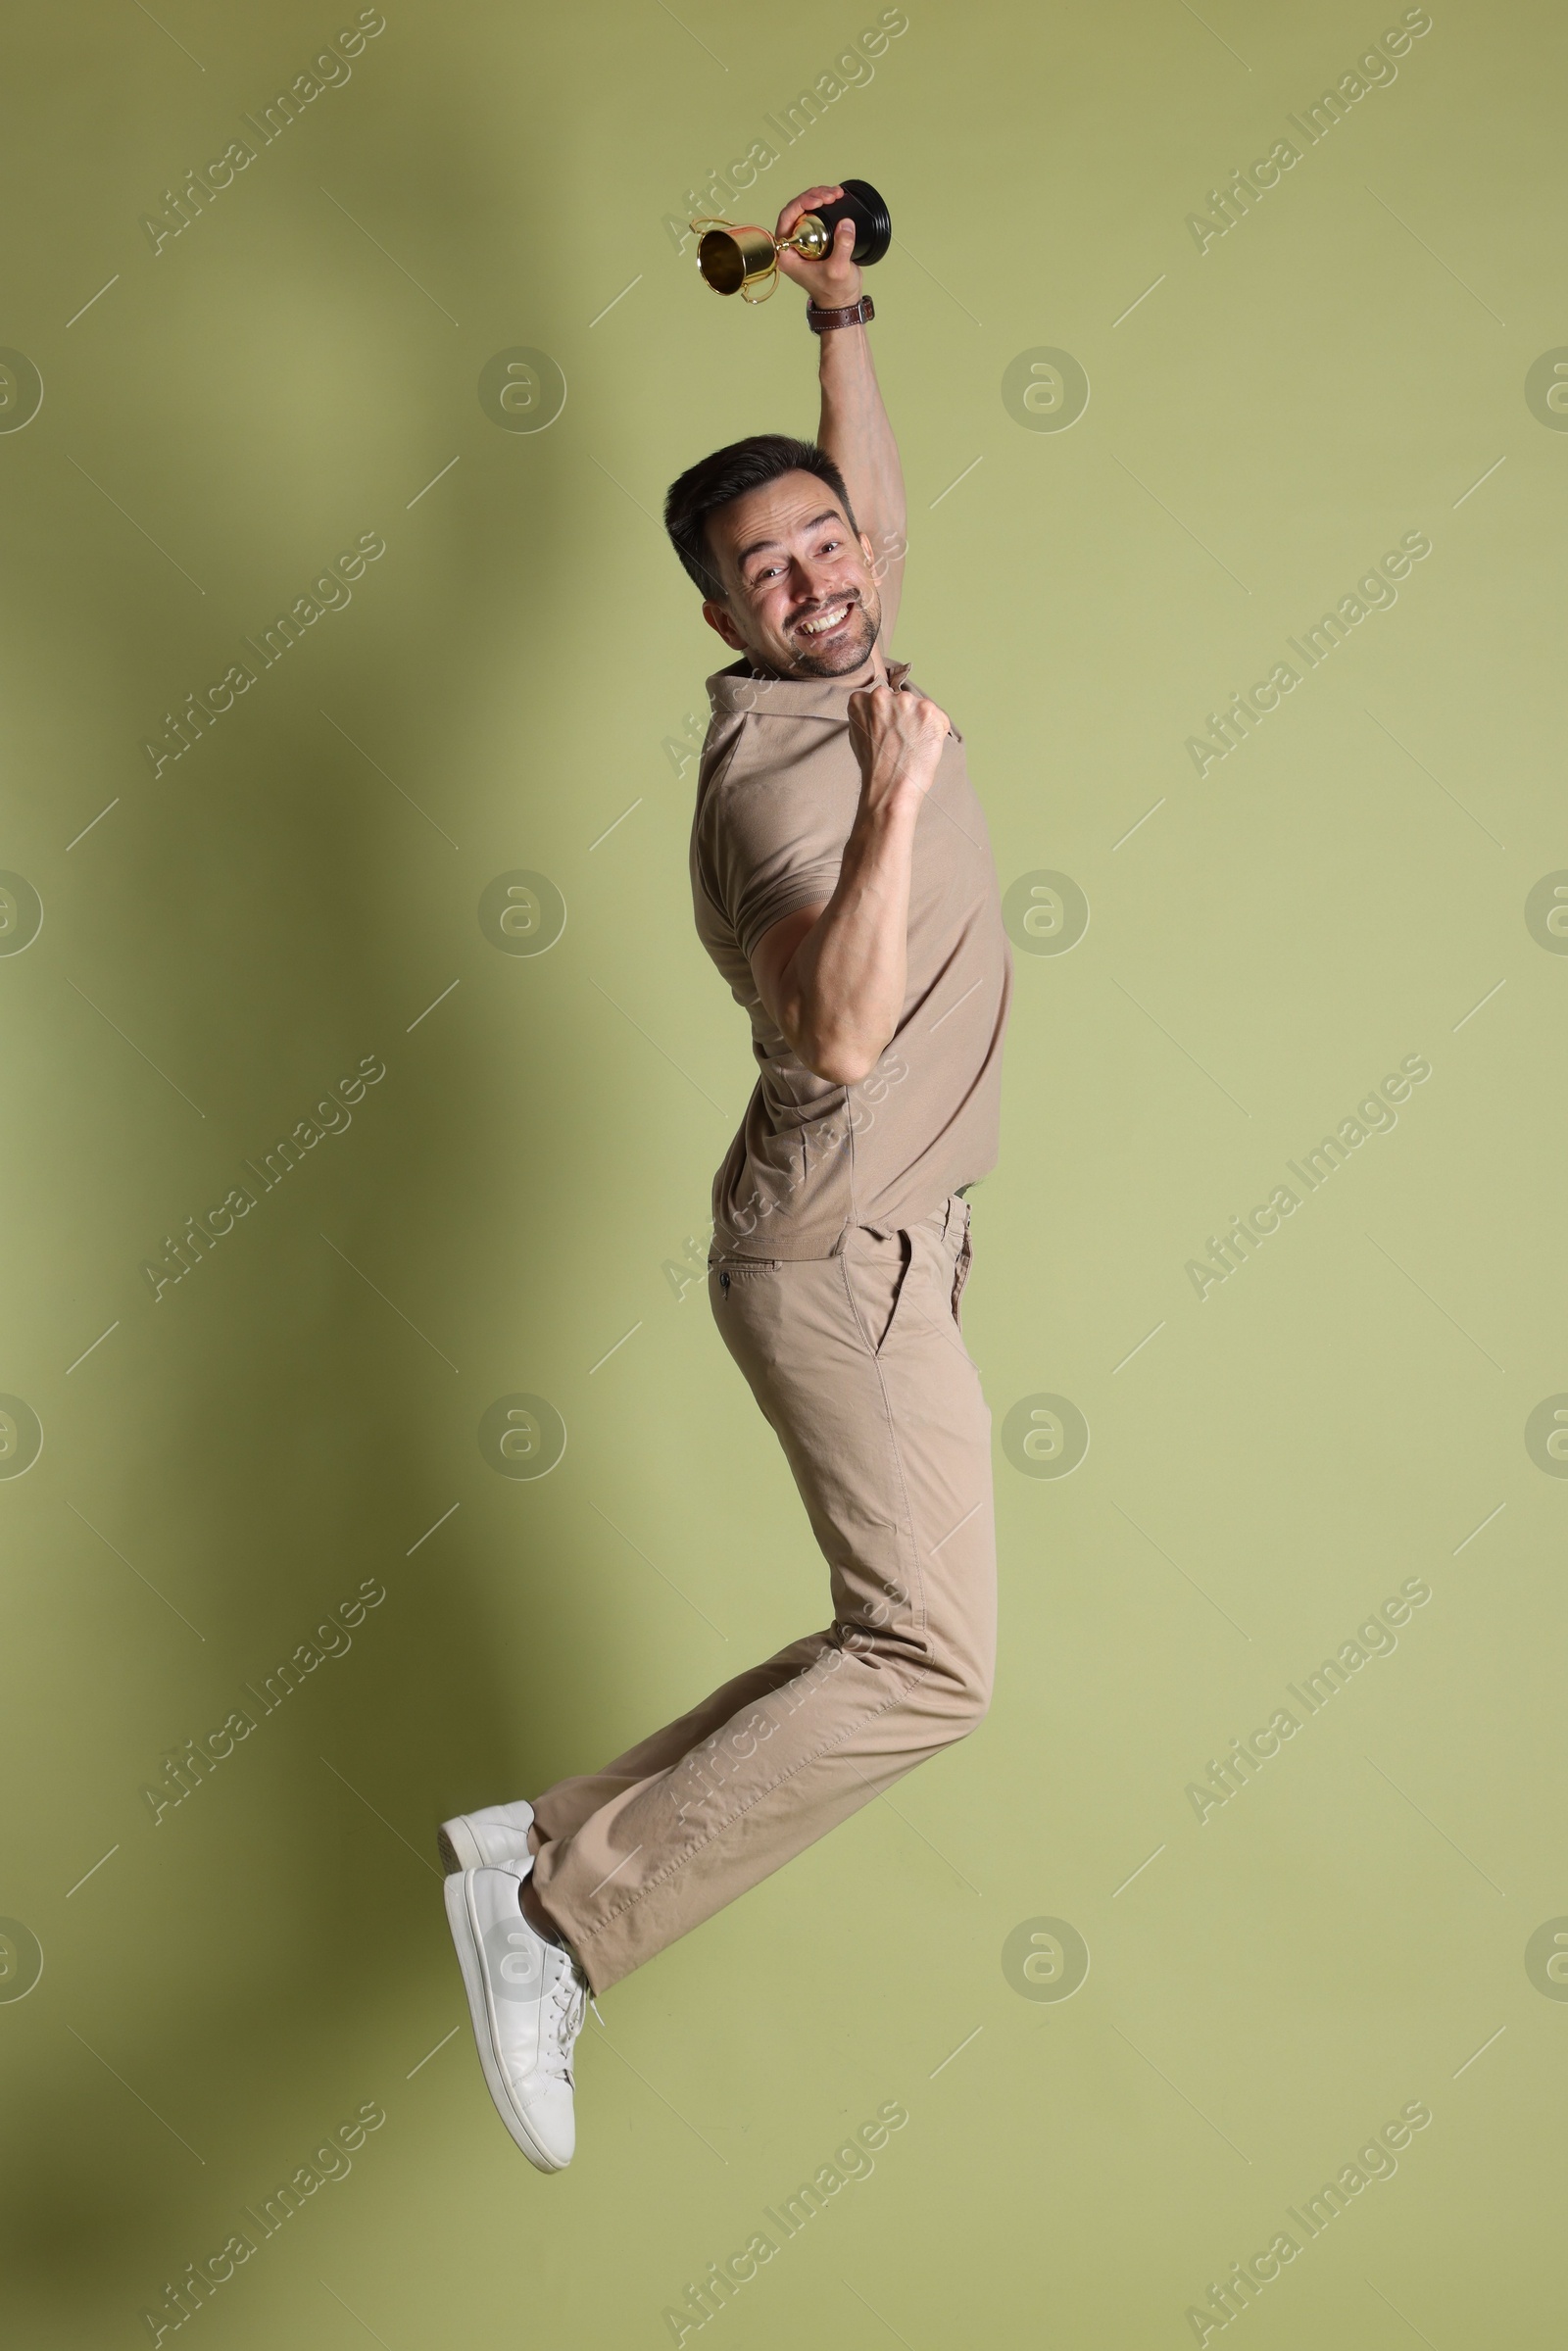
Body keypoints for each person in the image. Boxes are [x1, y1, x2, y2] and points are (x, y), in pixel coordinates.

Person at [442, 183, 1013, 2172]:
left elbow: (864, 497)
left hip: (899, 1248)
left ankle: (533, 1838)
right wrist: (898, 803)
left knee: (888, 1632)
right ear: (716, 618)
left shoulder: (848, 645)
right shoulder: (782, 787)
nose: (815, 577)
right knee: (926, 1661)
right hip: (824, 1246)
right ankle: (556, 1914)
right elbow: (835, 1032)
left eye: (823, 542)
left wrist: (835, 305)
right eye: (761, 570)